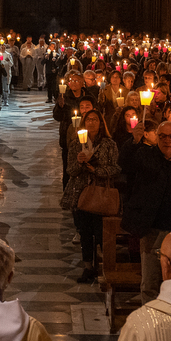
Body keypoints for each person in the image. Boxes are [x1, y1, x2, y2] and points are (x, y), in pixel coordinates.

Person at [121, 121, 171, 303]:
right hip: (152, 229)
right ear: (156, 138)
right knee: (150, 283)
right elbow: (125, 164)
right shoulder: (145, 156)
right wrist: (134, 141)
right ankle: (151, 328)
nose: (167, 140)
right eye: (163, 136)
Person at [61, 109, 120, 284]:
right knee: (85, 232)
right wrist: (79, 163)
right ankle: (88, 267)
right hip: (82, 193)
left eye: (95, 119)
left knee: (101, 233)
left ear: (101, 123)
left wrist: (97, 170)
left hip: (101, 192)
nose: (92, 122)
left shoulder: (109, 144)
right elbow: (70, 170)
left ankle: (104, 266)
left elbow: (115, 168)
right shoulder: (76, 145)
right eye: (88, 120)